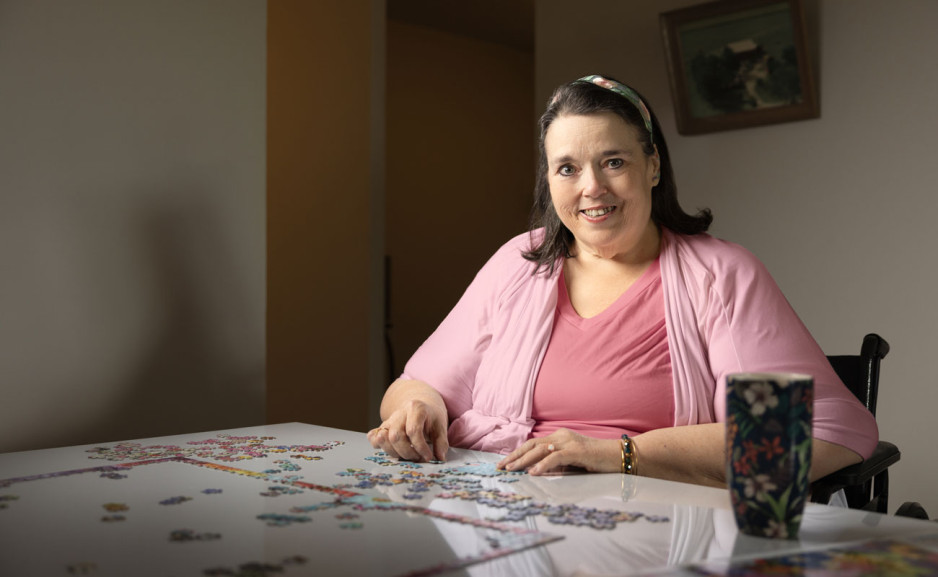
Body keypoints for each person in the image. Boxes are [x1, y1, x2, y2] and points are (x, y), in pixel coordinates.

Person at [368, 74, 877, 488]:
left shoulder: (721, 276)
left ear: (652, 166)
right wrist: (418, 410)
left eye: (613, 161)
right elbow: (417, 384)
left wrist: (618, 455)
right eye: (567, 168)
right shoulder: (518, 262)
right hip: (506, 520)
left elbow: (819, 434)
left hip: (656, 528)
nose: (592, 187)